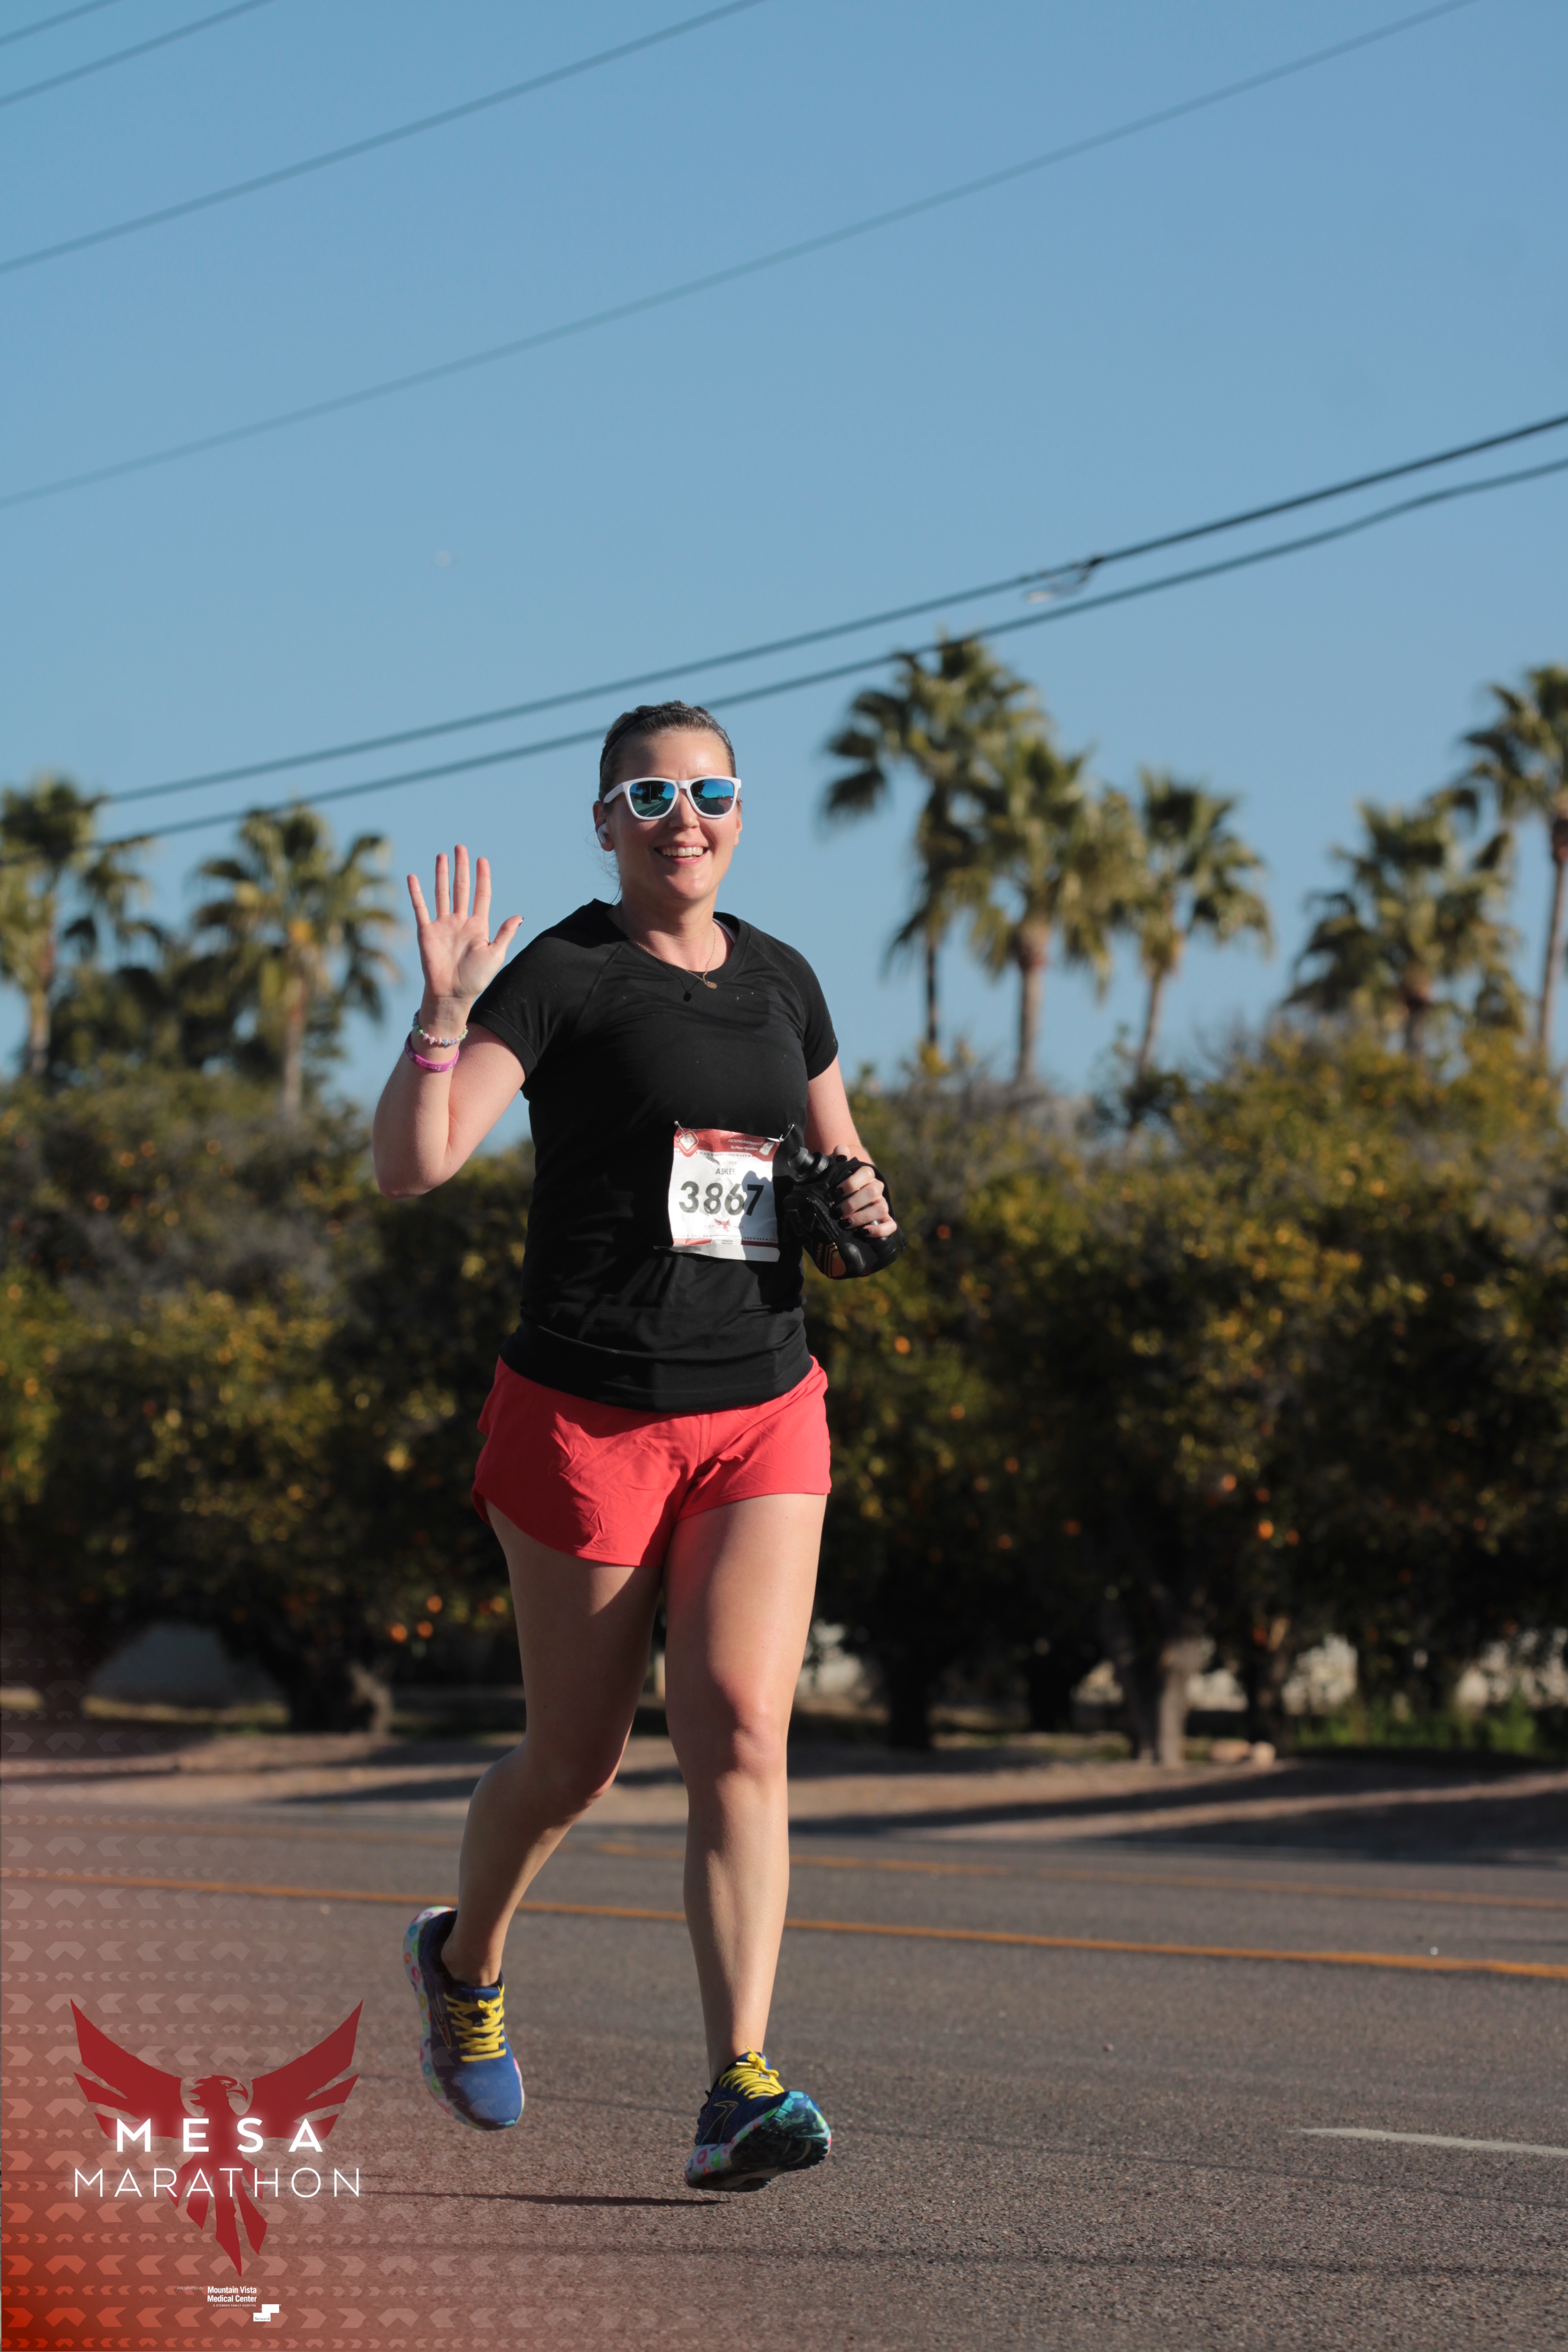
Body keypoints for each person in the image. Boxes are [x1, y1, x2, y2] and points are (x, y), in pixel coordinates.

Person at [371, 700, 898, 2193]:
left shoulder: (784, 979)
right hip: (586, 1411)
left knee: (739, 1726)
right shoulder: (565, 974)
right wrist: (440, 1016)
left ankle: (739, 2086)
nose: (686, 819)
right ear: (605, 821)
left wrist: (858, 1213)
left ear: (739, 812)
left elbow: (840, 1161)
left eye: (710, 792)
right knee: (577, 1759)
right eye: (652, 796)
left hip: (761, 1403)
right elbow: (414, 1165)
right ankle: (462, 1961)